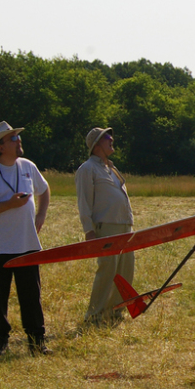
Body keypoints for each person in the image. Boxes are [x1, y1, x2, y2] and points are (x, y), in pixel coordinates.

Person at [0, 121, 51, 356]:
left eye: (17, 137)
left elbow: (44, 190)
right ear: (0, 147)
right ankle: (0, 342)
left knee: (31, 295)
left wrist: (41, 214)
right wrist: (9, 204)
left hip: (26, 244)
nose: (19, 141)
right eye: (13, 138)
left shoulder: (27, 166)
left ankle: (37, 341)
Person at [76, 127, 134, 325]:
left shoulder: (111, 168)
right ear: (96, 144)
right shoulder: (87, 169)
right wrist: (89, 230)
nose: (112, 139)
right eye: (107, 137)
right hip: (106, 227)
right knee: (107, 271)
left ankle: (116, 311)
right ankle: (95, 315)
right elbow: (84, 202)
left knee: (125, 270)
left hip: (124, 226)